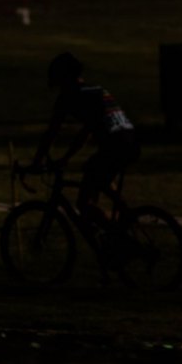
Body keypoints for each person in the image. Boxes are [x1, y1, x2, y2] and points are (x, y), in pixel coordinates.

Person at [25, 52, 140, 240]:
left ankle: (118, 236)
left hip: (115, 146)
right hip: (130, 142)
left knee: (84, 203)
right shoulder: (96, 90)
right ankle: (122, 219)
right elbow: (86, 132)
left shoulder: (69, 97)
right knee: (94, 173)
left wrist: (37, 163)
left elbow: (51, 133)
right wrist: (66, 158)